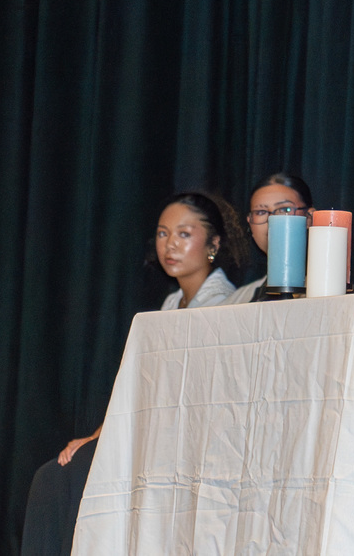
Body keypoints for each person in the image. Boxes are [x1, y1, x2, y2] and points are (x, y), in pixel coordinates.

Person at [21, 191, 246, 556]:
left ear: (214, 244)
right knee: (54, 477)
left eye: (184, 234)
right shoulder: (172, 303)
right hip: (153, 431)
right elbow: (141, 386)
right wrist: (97, 436)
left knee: (65, 479)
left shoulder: (225, 304)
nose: (170, 244)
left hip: (189, 442)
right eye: (162, 233)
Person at [224, 172, 315, 304]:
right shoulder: (239, 299)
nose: (272, 220)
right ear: (249, 221)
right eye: (261, 212)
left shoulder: (323, 292)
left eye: (285, 209)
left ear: (309, 218)